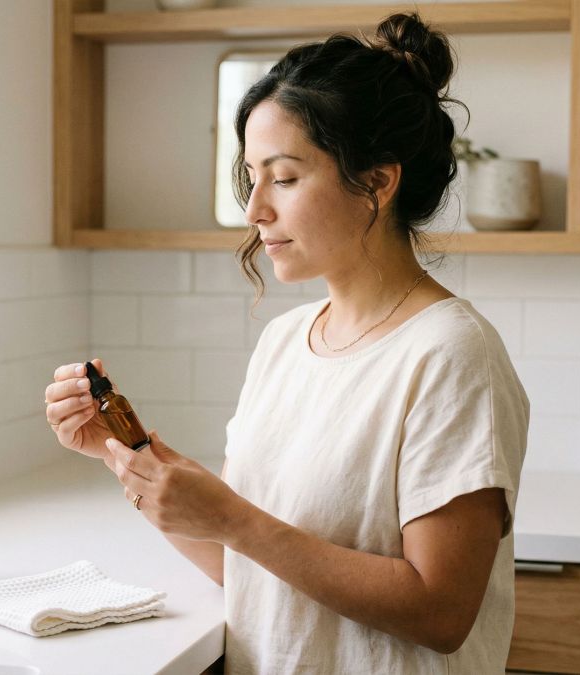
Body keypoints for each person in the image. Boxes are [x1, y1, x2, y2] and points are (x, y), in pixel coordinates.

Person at [43, 12, 529, 674]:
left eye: (286, 177)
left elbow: (440, 612)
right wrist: (117, 448)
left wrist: (236, 518)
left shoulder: (450, 354)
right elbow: (251, 568)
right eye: (252, 175)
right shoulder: (284, 343)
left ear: (378, 183)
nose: (255, 210)